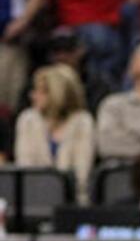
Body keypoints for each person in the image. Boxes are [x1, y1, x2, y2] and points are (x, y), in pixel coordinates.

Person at [14, 63, 95, 204]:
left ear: (58, 93)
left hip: (72, 202)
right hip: (32, 199)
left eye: (40, 91)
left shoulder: (83, 122)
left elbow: (81, 175)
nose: (33, 96)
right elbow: (26, 169)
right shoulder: (27, 120)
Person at [96, 41, 140, 163]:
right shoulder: (113, 105)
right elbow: (106, 145)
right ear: (130, 69)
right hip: (123, 174)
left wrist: (131, 133)